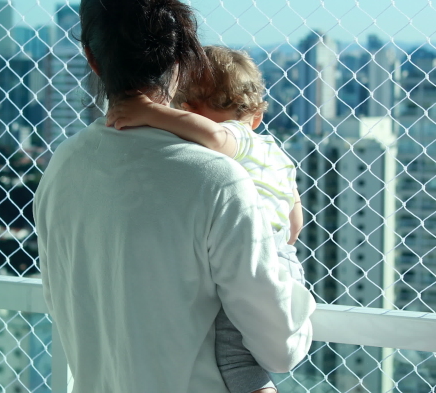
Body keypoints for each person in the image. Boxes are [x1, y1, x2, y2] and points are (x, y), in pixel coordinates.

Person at [34, 0, 315, 393]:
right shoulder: (220, 181)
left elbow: (64, 307)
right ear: (185, 56)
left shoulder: (63, 167)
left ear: (91, 58)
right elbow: (283, 348)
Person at [106, 45, 306, 393]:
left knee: (234, 358)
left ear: (188, 110)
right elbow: (295, 223)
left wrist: (149, 112)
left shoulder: (237, 137)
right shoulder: (278, 153)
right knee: (253, 349)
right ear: (257, 115)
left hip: (253, 253)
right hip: (285, 260)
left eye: (188, 114)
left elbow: (214, 136)